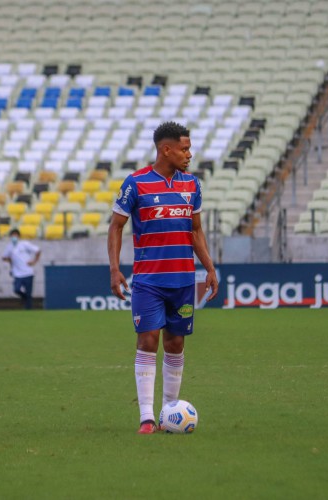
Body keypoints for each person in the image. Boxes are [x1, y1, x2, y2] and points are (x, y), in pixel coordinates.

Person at [107, 121, 219, 434]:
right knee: (148, 340)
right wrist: (115, 268)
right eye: (184, 148)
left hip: (183, 279)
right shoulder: (136, 183)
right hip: (148, 281)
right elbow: (116, 226)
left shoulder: (192, 186)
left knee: (175, 342)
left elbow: (195, 230)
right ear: (165, 149)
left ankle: (169, 412)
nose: (189, 154)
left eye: (189, 148)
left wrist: (209, 267)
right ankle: (146, 417)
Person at [2, 228, 41, 309]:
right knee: (16, 289)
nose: (14, 237)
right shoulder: (9, 247)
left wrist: (34, 261)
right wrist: (10, 260)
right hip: (17, 273)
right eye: (12, 236)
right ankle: (24, 297)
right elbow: (4, 257)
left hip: (28, 272)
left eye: (15, 235)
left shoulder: (24, 244)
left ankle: (28, 309)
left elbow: (38, 250)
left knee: (29, 293)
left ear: (19, 236)